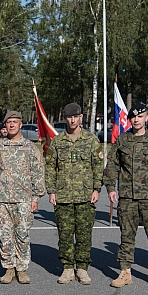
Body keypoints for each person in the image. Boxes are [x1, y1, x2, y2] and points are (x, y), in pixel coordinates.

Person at [103, 103, 148, 290]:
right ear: (130, 119)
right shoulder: (122, 140)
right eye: (133, 117)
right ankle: (125, 272)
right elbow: (112, 165)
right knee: (126, 237)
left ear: (146, 119)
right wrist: (111, 187)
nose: (136, 120)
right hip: (127, 198)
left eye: (140, 116)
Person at [45, 103, 104, 285]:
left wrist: (96, 188)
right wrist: (51, 190)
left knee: (85, 234)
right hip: (63, 196)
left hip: (85, 195)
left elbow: (98, 166)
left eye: (75, 116)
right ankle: (68, 268)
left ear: (81, 117)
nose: (72, 120)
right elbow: (50, 167)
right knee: (65, 234)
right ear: (65, 118)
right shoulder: (58, 141)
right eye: (69, 117)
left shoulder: (91, 140)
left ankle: (83, 269)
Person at [0, 110, 45, 284]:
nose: (11, 125)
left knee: (22, 234)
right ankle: (9, 268)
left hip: (24, 199)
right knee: (4, 235)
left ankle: (22, 268)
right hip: (2, 199)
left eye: (15, 122)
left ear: (20, 125)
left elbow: (38, 172)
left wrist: (36, 197)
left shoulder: (30, 147)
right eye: (8, 122)